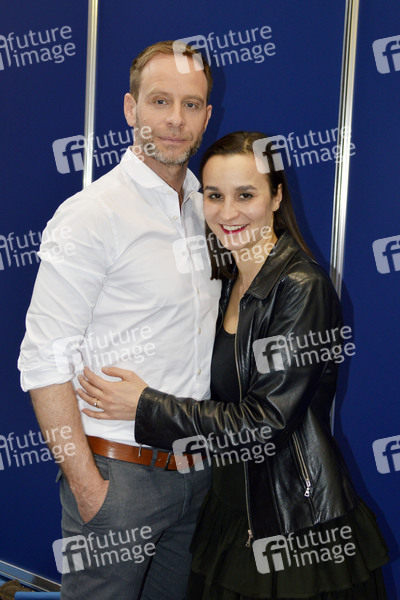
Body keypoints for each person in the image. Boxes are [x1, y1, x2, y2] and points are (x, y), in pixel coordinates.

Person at [78, 131, 389, 600]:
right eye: (214, 195)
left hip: (292, 519)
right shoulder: (225, 283)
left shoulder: (301, 287)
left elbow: (265, 424)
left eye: (246, 195)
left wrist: (146, 406)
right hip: (229, 507)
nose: (227, 212)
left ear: (276, 197)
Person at [18, 41, 221, 600]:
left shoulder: (209, 210)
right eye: (159, 101)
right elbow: (42, 361)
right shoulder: (91, 216)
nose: (175, 119)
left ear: (207, 116)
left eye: (191, 104)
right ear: (131, 109)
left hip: (196, 474)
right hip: (117, 479)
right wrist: (89, 489)